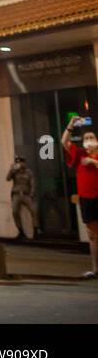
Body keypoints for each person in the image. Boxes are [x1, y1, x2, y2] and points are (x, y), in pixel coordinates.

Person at [61, 117, 97, 279]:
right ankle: (95, 268)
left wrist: (93, 161)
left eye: (92, 138)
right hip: (86, 197)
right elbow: (64, 142)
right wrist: (70, 125)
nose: (89, 141)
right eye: (86, 139)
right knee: (92, 234)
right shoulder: (79, 153)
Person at [6, 157, 38, 240]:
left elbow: (33, 183)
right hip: (16, 194)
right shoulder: (14, 172)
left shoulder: (29, 172)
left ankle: (36, 231)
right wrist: (11, 169)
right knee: (15, 212)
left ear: (24, 163)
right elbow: (8, 178)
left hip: (26, 194)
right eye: (18, 162)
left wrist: (32, 193)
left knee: (34, 211)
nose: (19, 164)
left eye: (20, 162)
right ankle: (20, 231)